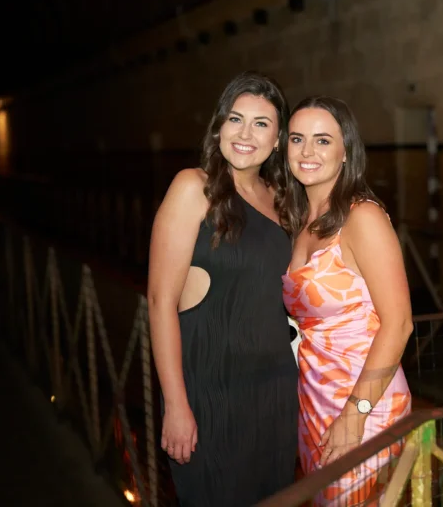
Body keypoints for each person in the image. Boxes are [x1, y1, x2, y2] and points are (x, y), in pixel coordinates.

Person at [147, 71, 299, 506]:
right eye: (236, 119)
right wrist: (176, 404)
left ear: (277, 141)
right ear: (219, 128)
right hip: (211, 392)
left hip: (274, 394)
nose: (245, 134)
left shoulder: (280, 198)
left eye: (261, 124)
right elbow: (160, 303)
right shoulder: (193, 187)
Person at [281, 96, 414, 505]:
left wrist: (355, 414)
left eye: (323, 141)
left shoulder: (362, 219)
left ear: (345, 152)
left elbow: (400, 323)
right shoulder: (297, 218)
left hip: (364, 400)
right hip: (314, 395)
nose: (307, 152)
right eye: (297, 139)